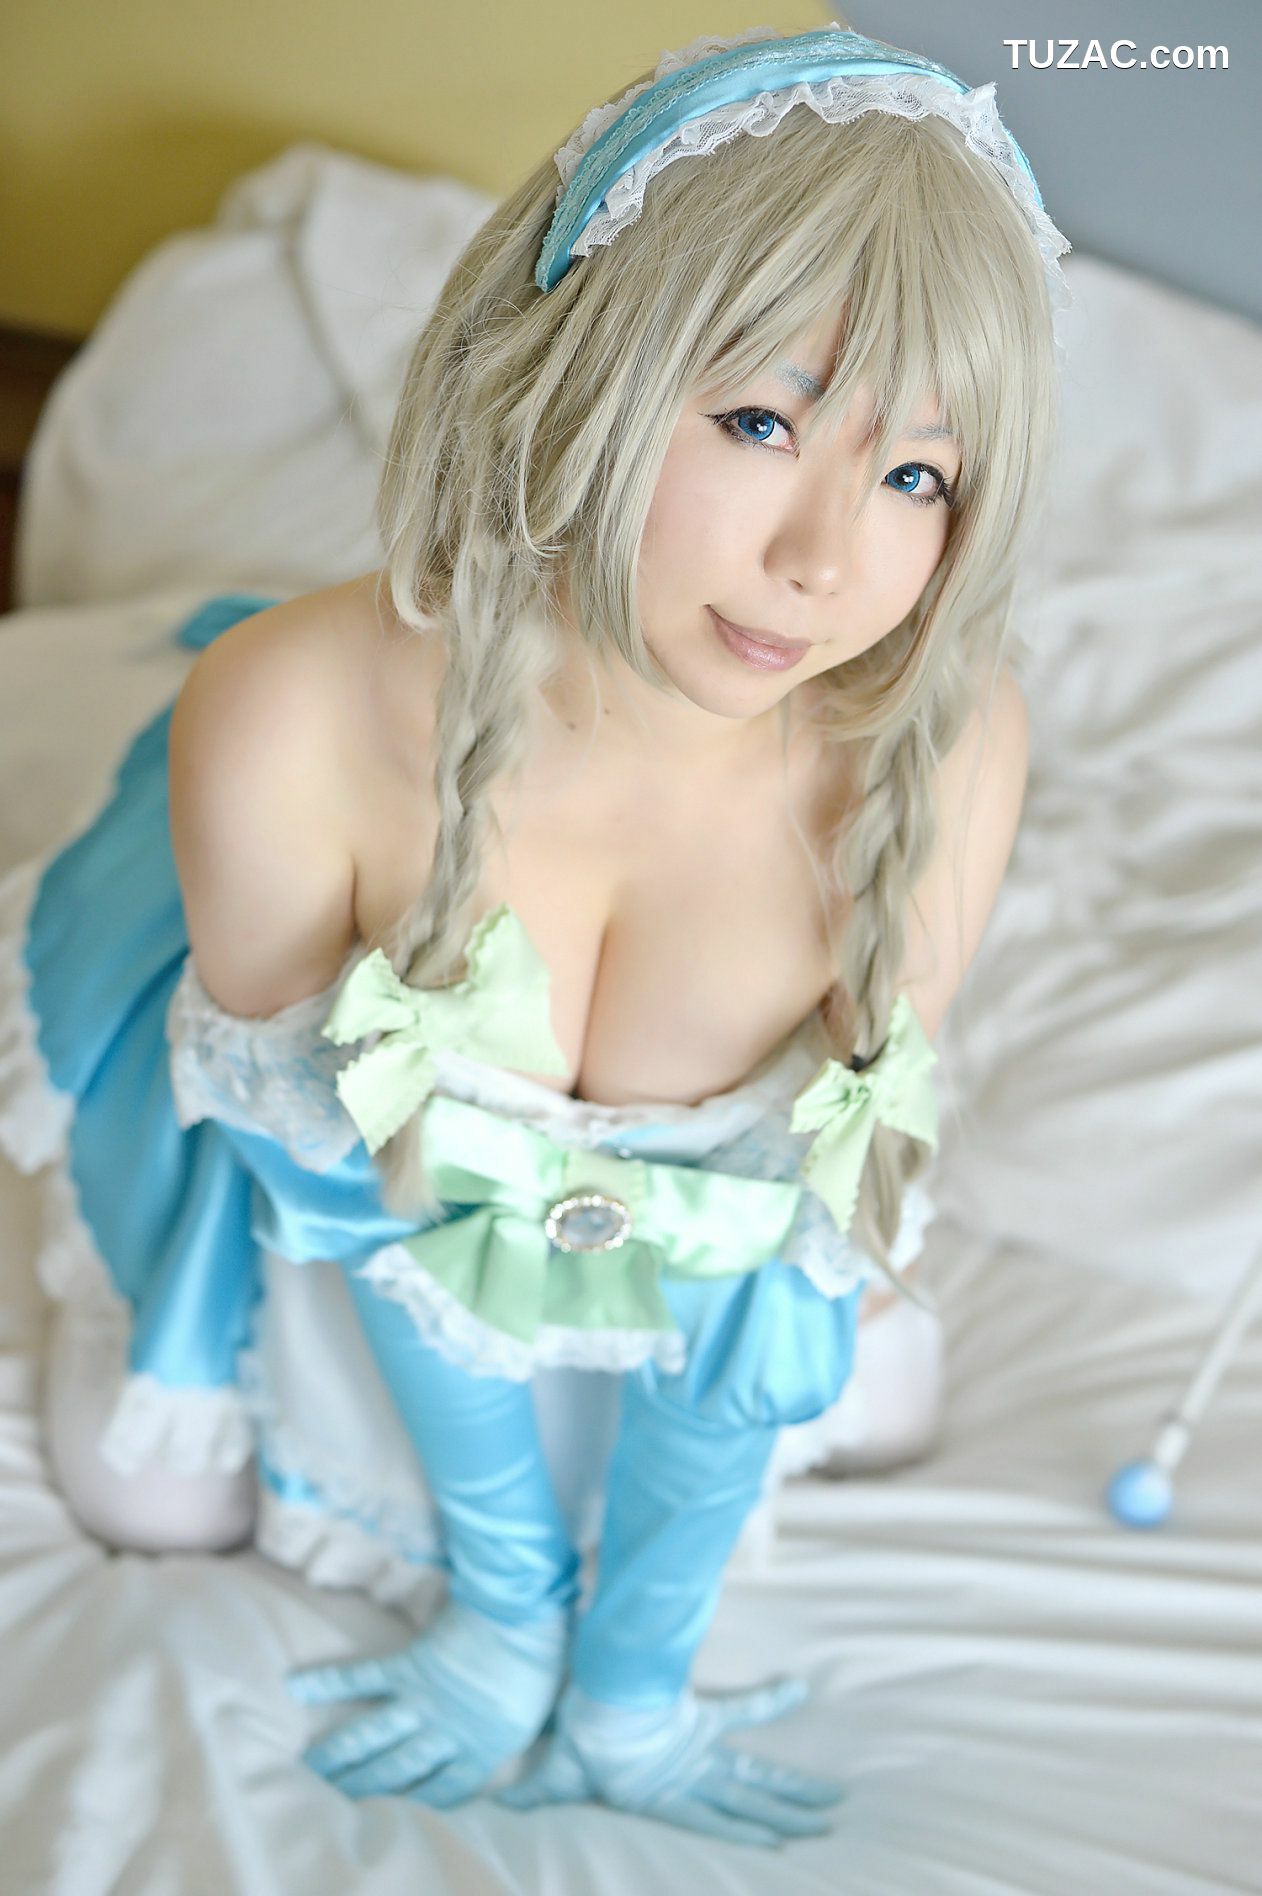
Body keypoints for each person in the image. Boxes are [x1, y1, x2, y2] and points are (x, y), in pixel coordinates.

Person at [0, 18, 1067, 1848]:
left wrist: (633, 1669)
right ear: (584, 361)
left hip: (702, 1289)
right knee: (148, 1495)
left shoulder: (941, 740)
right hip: (390, 1258)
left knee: (873, 1391)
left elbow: (787, 1242)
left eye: (917, 478)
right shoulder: (292, 718)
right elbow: (350, 1194)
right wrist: (506, 1607)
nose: (823, 563)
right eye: (758, 420)